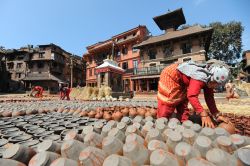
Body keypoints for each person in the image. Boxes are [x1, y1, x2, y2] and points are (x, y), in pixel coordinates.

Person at [157, 60, 230, 128]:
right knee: (169, 101)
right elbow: (192, 96)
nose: (215, 86)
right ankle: (162, 124)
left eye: (217, 84)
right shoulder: (200, 76)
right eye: (215, 83)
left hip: (182, 81)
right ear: (212, 76)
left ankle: (183, 124)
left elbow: (209, 98)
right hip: (171, 75)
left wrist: (216, 114)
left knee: (182, 101)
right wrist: (203, 114)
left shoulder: (209, 80)